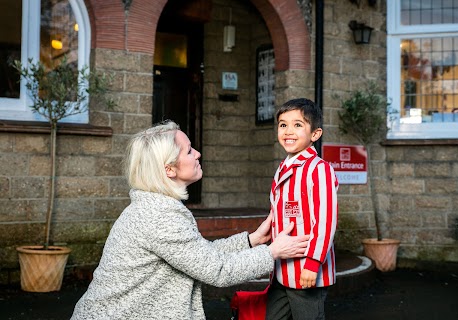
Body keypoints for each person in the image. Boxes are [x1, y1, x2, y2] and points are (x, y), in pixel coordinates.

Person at [70, 120, 310, 320]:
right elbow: (218, 271)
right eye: (188, 150)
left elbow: (201, 255)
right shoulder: (159, 216)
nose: (197, 153)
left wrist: (251, 241)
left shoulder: (155, 206)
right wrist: (272, 253)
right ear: (169, 170)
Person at [266, 98, 339, 320]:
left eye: (298, 125)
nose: (288, 131)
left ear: (315, 134)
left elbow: (326, 221)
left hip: (307, 271)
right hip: (281, 272)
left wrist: (313, 263)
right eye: (283, 124)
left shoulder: (319, 169)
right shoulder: (283, 168)